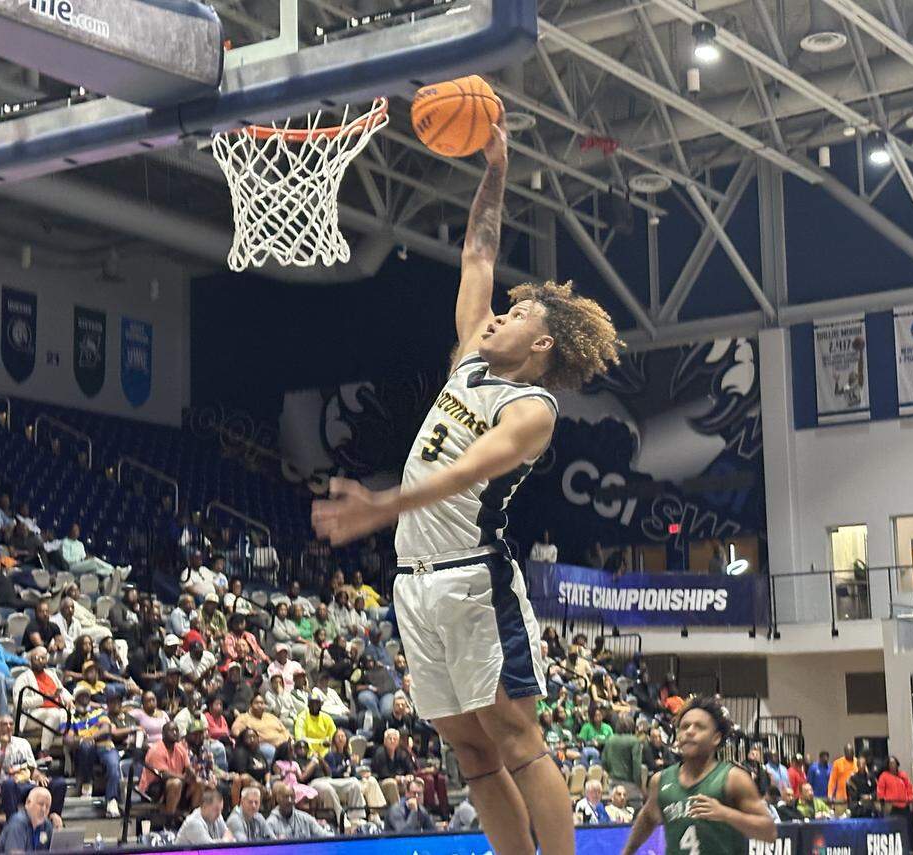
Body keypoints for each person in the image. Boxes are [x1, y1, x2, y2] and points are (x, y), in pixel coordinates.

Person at [311, 115, 622, 855]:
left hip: (472, 580)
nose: (501, 314)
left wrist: (384, 503)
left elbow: (464, 472)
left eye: (517, 315)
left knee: (516, 735)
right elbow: (478, 250)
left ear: (541, 345)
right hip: (415, 582)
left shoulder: (532, 409)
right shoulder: (470, 362)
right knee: (470, 750)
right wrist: (496, 168)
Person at [621, 697, 776, 855]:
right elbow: (647, 818)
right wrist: (627, 852)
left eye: (699, 727)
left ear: (716, 738)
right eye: (684, 727)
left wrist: (726, 814)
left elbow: (769, 831)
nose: (689, 731)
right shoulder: (660, 781)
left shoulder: (733, 778)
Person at [0, 714, 67, 821]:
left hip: (27, 784)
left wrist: (39, 776)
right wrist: (3, 749)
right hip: (5, 786)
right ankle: (13, 823)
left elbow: (32, 769)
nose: (8, 727)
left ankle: (52, 820)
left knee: (59, 783)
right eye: (4, 724)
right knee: (9, 784)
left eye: (11, 724)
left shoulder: (23, 743)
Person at [62, 686, 123, 817]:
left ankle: (112, 800)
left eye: (87, 695)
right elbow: (68, 739)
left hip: (104, 745)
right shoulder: (71, 717)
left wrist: (89, 737)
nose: (85, 697)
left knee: (113, 762)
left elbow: (106, 729)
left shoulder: (99, 712)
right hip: (85, 750)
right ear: (76, 698)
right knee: (86, 745)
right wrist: (84, 739)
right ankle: (87, 784)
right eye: (81, 695)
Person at [0, 785, 54, 853]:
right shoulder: (18, 824)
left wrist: (59, 830)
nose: (44, 809)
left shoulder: (47, 825)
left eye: (47, 806)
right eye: (40, 804)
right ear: (28, 803)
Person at [266, 780, 330, 839]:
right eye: (286, 797)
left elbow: (325, 836)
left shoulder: (306, 819)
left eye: (292, 796)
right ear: (278, 799)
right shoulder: (270, 823)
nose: (289, 800)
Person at [602, 716, 642, 791]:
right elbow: (636, 763)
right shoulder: (634, 741)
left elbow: (604, 761)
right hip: (629, 782)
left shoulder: (610, 739)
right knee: (635, 802)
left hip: (613, 781)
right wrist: (638, 784)